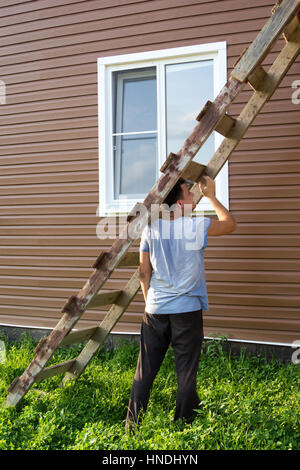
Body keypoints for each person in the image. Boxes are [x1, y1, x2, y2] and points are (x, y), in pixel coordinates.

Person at [125, 175, 237, 432]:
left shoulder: (151, 229)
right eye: (190, 192)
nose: (194, 196)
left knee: (145, 371)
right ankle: (184, 425)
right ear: (178, 201)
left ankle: (132, 426)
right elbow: (230, 224)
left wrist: (150, 302)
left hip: (155, 309)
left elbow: (144, 273)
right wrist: (211, 196)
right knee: (186, 371)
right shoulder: (196, 226)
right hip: (187, 310)